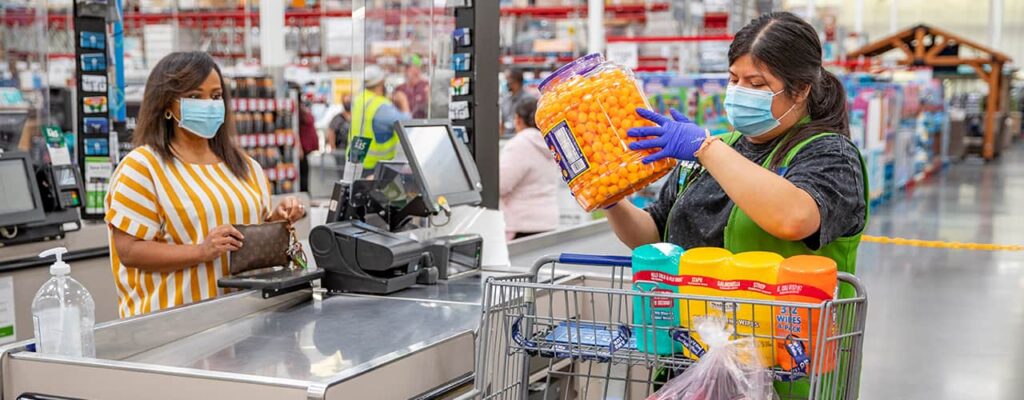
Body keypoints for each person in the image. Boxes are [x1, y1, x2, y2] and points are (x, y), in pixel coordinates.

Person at [609, 12, 867, 284]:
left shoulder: (832, 155)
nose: (740, 91)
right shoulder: (715, 151)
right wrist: (614, 201)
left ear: (801, 90)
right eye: (734, 80)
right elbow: (656, 236)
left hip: (781, 324)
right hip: (695, 321)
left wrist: (706, 149)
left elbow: (794, 218)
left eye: (756, 84)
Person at [104, 52, 306, 319]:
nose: (209, 105)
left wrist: (275, 222)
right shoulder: (142, 168)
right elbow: (129, 251)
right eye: (195, 97)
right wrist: (200, 251)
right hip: (174, 326)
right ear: (166, 104)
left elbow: (246, 240)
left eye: (215, 96)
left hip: (246, 319)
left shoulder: (246, 167)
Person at [499, 97, 559, 240]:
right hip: (548, 222)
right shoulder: (550, 143)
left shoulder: (519, 144)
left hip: (522, 224)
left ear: (518, 119)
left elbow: (501, 185)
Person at [347, 65, 411, 171]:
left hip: (356, 158)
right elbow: (407, 124)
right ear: (380, 83)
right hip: (375, 165)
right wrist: (404, 102)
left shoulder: (359, 100)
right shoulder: (381, 106)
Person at [499, 68, 533, 136]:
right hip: (506, 139)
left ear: (516, 80)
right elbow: (502, 123)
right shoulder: (505, 99)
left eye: (507, 79)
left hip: (523, 139)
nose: (506, 82)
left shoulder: (529, 100)